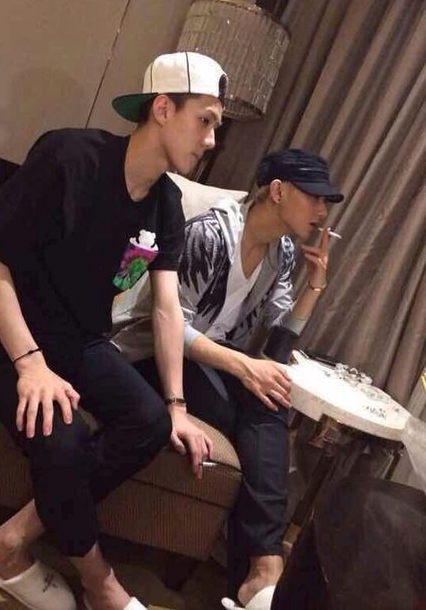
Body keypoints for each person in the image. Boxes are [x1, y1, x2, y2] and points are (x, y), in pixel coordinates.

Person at [0, 51, 227, 610]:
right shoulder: (69, 157)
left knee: (149, 422)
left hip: (81, 341)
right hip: (8, 335)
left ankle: (7, 544)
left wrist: (176, 405)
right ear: (162, 108)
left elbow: (167, 310)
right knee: (64, 439)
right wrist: (30, 364)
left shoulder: (167, 205)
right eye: (205, 120)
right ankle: (99, 580)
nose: (211, 140)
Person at [112, 148, 345, 610]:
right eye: (315, 197)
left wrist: (315, 286)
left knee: (271, 401)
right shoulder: (210, 235)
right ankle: (259, 571)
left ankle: (259, 572)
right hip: (150, 353)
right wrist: (242, 366)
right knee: (255, 410)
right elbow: (167, 325)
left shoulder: (281, 253)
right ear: (277, 191)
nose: (322, 211)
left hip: (207, 363)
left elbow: (277, 344)